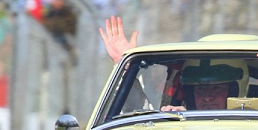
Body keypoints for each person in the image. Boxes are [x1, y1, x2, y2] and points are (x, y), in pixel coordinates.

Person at [99, 15, 248, 112]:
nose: (208, 97)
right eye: (200, 90)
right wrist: (126, 66)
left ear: (236, 89)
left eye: (216, 89)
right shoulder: (176, 122)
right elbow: (136, 111)